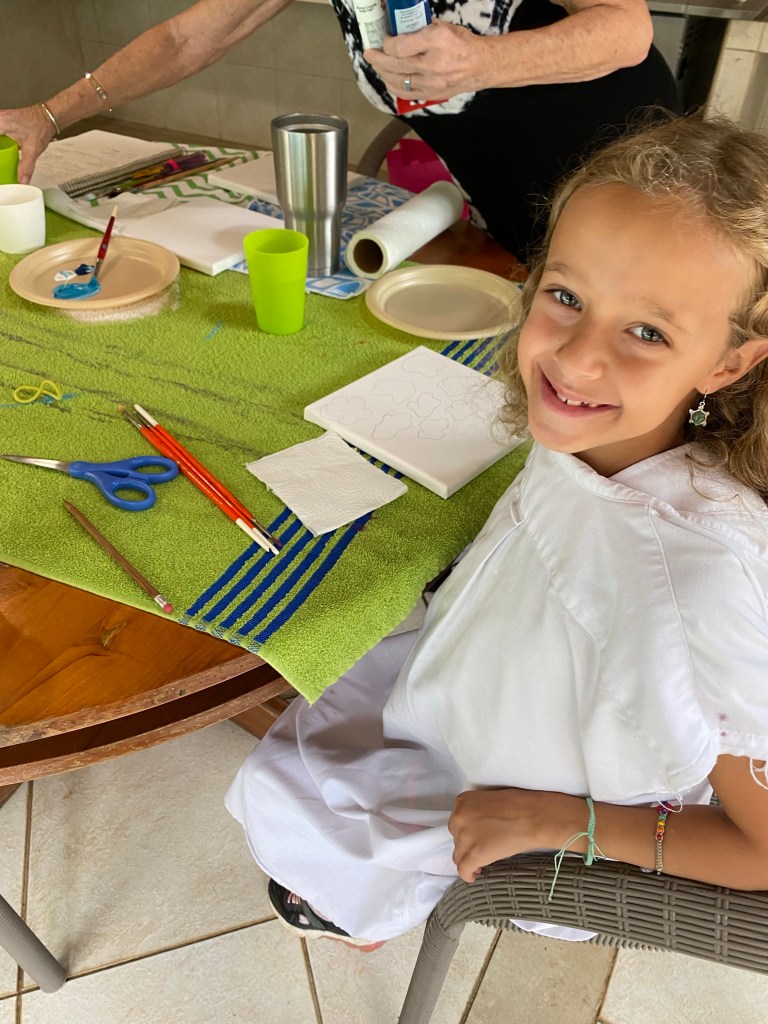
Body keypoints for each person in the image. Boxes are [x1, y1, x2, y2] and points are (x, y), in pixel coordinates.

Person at [224, 113, 768, 948]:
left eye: (648, 332)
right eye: (567, 297)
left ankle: (368, 901)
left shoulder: (700, 580)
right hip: (495, 682)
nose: (576, 359)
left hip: (545, 794)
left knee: (313, 796)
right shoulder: (602, 431)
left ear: (728, 364)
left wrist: (566, 822)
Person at [0, 0, 678, 260]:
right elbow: (187, 38)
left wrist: (484, 61)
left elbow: (626, 29)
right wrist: (50, 114)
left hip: (631, 182)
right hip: (509, 210)